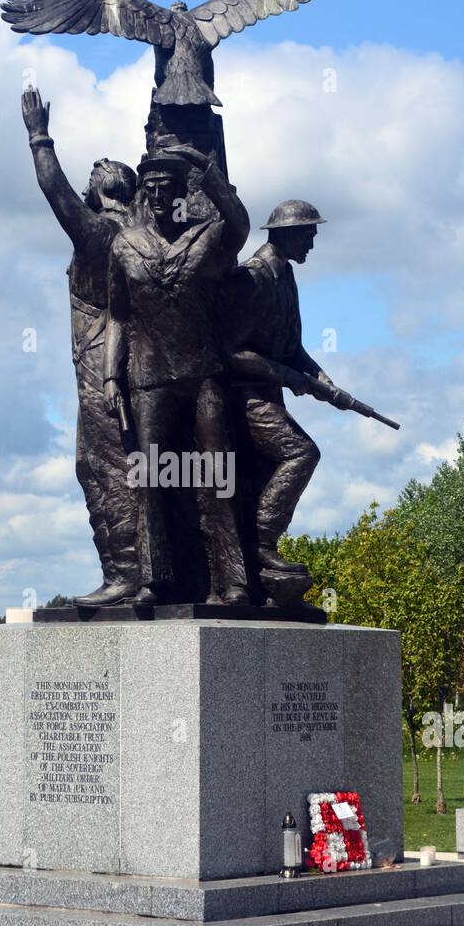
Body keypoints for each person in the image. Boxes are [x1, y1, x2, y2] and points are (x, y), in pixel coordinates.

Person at [104, 148, 250, 606]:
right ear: (143, 195)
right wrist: (111, 377)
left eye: (168, 186)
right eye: (151, 188)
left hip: (202, 373)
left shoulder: (206, 238)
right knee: (147, 478)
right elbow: (118, 315)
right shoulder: (124, 244)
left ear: (183, 191)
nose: (159, 195)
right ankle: (154, 579)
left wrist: (205, 170)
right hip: (148, 377)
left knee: (218, 474)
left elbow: (240, 224)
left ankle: (234, 582)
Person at [21, 86, 139, 606]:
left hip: (100, 369)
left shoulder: (100, 234)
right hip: (134, 365)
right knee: (129, 465)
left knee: (101, 468)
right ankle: (140, 571)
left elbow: (55, 193)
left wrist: (38, 136)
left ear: (98, 195)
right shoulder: (144, 236)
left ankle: (125, 575)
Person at [225, 199, 352, 575]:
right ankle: (262, 543)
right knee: (302, 453)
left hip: (269, 393)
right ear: (288, 234)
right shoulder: (253, 276)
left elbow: (291, 347)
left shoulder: (286, 275)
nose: (311, 244)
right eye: (308, 235)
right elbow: (233, 352)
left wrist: (323, 380)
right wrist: (291, 377)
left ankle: (260, 549)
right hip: (245, 397)